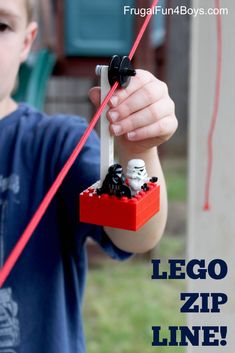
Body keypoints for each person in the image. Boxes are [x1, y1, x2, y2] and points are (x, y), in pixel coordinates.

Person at [0, 0, 178, 352]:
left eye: (1, 26)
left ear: (26, 42)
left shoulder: (54, 145)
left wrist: (137, 148)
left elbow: (136, 235)